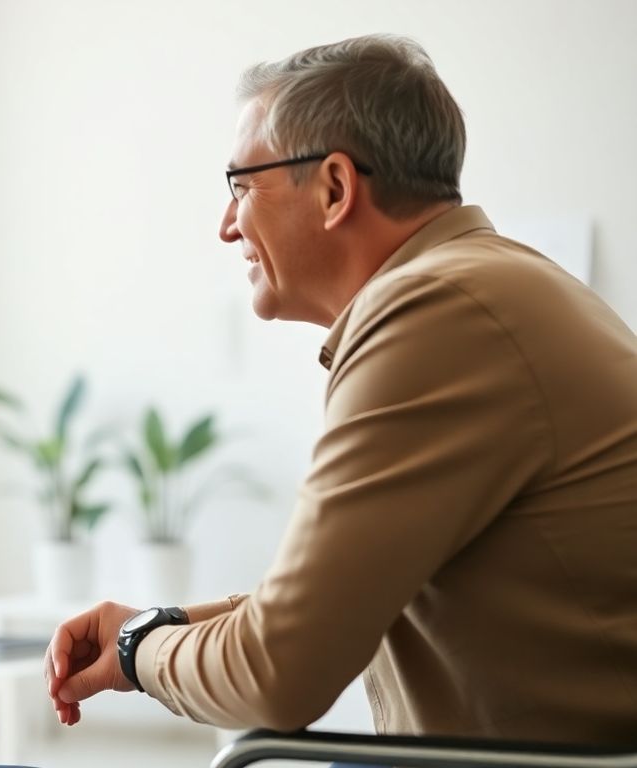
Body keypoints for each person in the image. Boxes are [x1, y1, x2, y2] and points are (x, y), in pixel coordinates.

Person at [45, 34, 637, 748]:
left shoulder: (435, 313)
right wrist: (157, 628)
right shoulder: (491, 283)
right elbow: (329, 604)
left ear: (333, 187)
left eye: (241, 186)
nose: (228, 224)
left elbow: (278, 672)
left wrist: (142, 655)